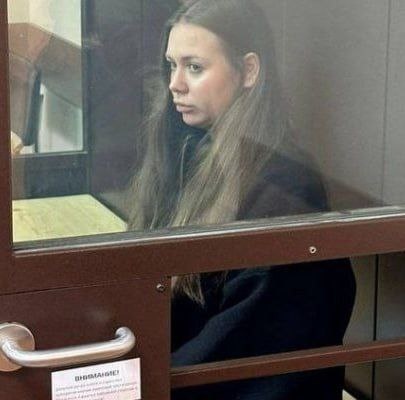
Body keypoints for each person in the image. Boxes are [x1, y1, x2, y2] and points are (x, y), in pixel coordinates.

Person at [128, 0, 356, 399]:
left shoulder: (285, 187)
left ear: (248, 71)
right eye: (171, 65)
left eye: (194, 67)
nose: (175, 84)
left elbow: (241, 345)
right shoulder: (189, 151)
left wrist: (139, 385)